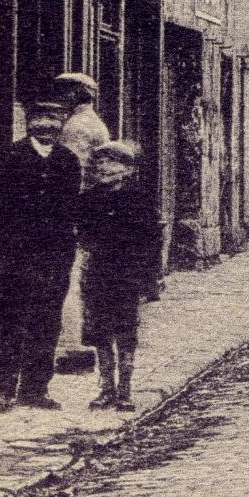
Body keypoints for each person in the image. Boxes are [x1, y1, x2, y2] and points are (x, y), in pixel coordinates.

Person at [0, 102, 80, 413]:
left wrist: (65, 251)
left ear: (61, 124)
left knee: (46, 322)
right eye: (41, 119)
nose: (47, 126)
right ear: (29, 122)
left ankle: (35, 389)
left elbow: (71, 209)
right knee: (11, 322)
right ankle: (0, 392)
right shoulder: (8, 157)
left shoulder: (67, 161)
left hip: (54, 257)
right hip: (13, 256)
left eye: (54, 120)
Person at [76, 141, 156, 412]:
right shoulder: (88, 199)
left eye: (111, 162)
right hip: (98, 273)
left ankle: (125, 391)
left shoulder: (139, 199)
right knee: (99, 332)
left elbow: (151, 241)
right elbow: (83, 235)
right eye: (100, 162)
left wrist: (149, 279)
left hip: (127, 274)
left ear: (127, 169)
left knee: (126, 331)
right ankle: (106, 389)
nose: (104, 167)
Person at [54, 72, 111, 169]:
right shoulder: (91, 119)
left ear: (74, 94)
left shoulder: (76, 125)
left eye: (62, 93)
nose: (58, 99)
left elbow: (71, 167)